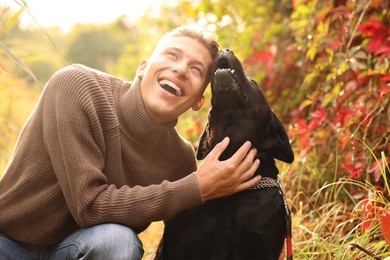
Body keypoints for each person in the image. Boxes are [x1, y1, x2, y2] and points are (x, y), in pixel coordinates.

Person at [0, 25, 261, 259]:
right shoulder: (77, 86)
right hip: (8, 242)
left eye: (196, 69)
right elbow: (89, 206)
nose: (181, 69)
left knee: (118, 241)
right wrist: (196, 187)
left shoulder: (180, 158)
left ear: (198, 102)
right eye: (172, 55)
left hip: (76, 248)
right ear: (143, 67)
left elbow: (187, 239)